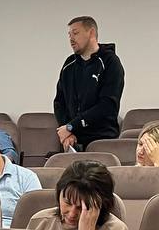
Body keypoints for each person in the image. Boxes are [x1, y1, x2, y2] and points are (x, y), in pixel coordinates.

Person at [53, 16, 124, 151]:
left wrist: (71, 126)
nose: (71, 39)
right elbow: (59, 102)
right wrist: (67, 130)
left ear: (91, 33)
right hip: (73, 141)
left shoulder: (110, 62)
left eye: (75, 33)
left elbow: (108, 105)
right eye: (69, 35)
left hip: (102, 140)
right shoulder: (69, 64)